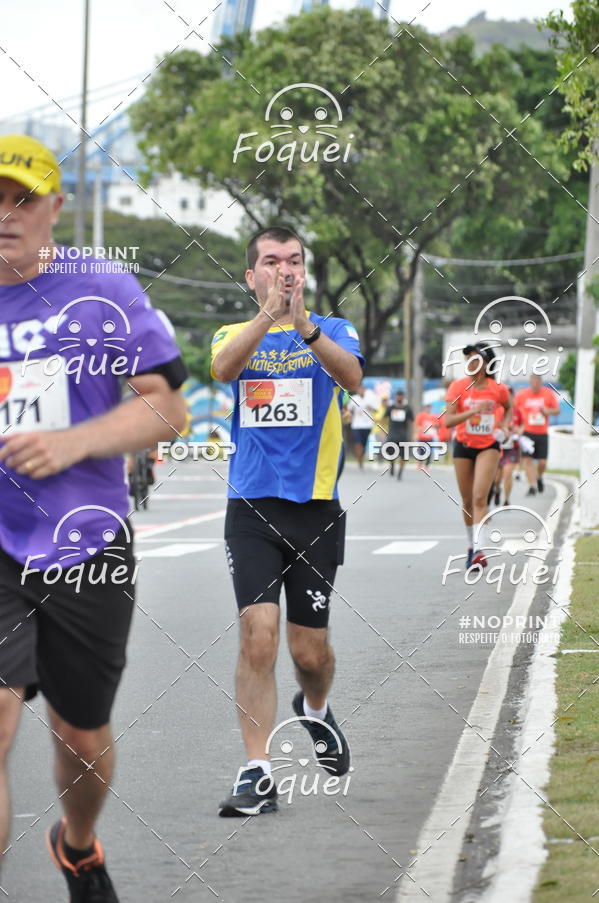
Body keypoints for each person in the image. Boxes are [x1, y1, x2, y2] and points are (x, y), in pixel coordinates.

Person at [0, 135, 187, 902]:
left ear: (55, 207)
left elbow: (167, 405)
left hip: (85, 541)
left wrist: (73, 441)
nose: (5, 215)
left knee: (80, 736)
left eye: (21, 198)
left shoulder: (100, 288)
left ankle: (77, 844)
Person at [211, 226, 362, 817]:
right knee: (258, 637)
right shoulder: (234, 334)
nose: (284, 269)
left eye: (293, 260)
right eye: (270, 262)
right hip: (250, 507)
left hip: (316, 511)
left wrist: (303, 326)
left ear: (306, 269)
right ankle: (257, 771)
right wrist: (267, 318)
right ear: (251, 276)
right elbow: (224, 369)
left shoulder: (333, 329)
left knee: (308, 654)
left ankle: (316, 709)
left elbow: (350, 377)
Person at [445, 343, 511, 569]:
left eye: (476, 360)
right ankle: (471, 547)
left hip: (489, 445)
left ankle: (480, 551)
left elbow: (509, 406)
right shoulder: (457, 387)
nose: (471, 364)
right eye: (468, 360)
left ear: (486, 364)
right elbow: (448, 421)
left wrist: (505, 425)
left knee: (479, 497)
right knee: (466, 501)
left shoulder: (497, 388)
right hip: (463, 446)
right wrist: (474, 410)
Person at [514, 375, 560, 496]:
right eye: (532, 382)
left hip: (542, 433)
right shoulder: (522, 394)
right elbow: (513, 410)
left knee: (542, 463)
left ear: (540, 382)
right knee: (528, 460)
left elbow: (557, 410)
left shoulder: (548, 394)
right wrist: (518, 426)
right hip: (527, 432)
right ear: (530, 382)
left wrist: (547, 411)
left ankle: (539, 477)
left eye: (537, 382)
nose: (535, 384)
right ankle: (532, 486)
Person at [489, 387, 523, 506]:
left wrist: (519, 430)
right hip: (498, 446)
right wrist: (503, 427)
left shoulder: (516, 411)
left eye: (510, 396)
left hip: (512, 447)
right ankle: (497, 489)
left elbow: (522, 424)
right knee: (497, 478)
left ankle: (506, 500)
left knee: (508, 473)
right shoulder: (496, 409)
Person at [348, 382, 379, 468]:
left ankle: (361, 457)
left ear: (365, 390)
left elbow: (376, 410)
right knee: (358, 443)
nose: (361, 391)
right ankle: (359, 461)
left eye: (362, 389)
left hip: (367, 425)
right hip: (356, 425)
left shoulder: (370, 398)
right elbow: (349, 411)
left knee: (364, 444)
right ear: (357, 390)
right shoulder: (354, 399)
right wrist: (349, 416)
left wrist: (370, 407)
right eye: (359, 389)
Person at [384, 390, 414, 479]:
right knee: (390, 453)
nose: (399, 397)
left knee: (404, 455)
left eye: (401, 396)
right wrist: (383, 430)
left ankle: (400, 472)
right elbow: (384, 419)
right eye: (398, 396)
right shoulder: (391, 407)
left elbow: (412, 421)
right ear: (396, 396)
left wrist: (413, 434)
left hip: (403, 435)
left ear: (403, 397)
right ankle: (392, 464)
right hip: (392, 435)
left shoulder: (407, 408)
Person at [413, 403, 438, 473]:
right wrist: (419, 431)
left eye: (429, 407)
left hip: (429, 437)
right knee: (421, 452)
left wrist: (433, 427)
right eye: (427, 407)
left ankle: (426, 466)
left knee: (429, 452)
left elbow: (437, 425)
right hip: (422, 437)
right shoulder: (421, 415)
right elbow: (416, 424)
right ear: (425, 408)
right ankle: (419, 464)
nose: (428, 408)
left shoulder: (433, 416)